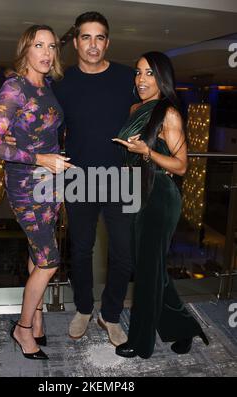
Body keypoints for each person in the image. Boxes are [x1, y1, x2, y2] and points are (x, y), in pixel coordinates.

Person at [5, 12, 136, 347]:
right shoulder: (60, 83)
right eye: (86, 37)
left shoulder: (127, 77)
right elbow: (34, 115)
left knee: (124, 252)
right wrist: (13, 139)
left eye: (100, 37)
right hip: (75, 176)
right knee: (80, 250)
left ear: (108, 42)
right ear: (76, 42)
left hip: (121, 176)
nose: (93, 45)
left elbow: (151, 109)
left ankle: (109, 314)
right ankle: (82, 308)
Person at [0, 24, 73, 360]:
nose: (47, 53)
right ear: (26, 50)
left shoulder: (45, 84)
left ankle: (36, 319)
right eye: (39, 45)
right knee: (49, 260)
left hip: (51, 184)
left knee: (37, 251)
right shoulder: (14, 88)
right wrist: (38, 157)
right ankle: (22, 328)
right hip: (25, 186)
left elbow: (39, 129)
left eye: (52, 47)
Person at [113, 51, 209, 359]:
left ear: (162, 78)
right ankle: (183, 327)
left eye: (149, 73)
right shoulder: (134, 108)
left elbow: (181, 166)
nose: (141, 79)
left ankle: (140, 343)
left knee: (147, 273)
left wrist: (147, 153)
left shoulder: (169, 114)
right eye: (138, 72)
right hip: (134, 194)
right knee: (151, 269)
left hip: (159, 197)